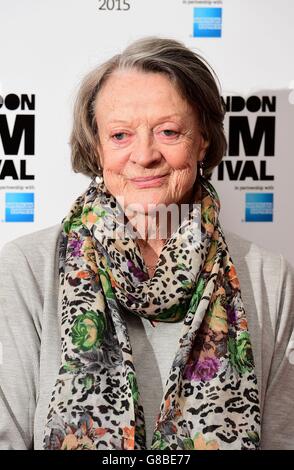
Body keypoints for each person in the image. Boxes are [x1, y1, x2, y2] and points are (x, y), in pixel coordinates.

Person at [0, 36, 294, 451]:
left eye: (168, 131)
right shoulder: (26, 267)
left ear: (203, 140)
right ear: (96, 147)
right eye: (120, 135)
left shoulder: (269, 276)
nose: (144, 154)